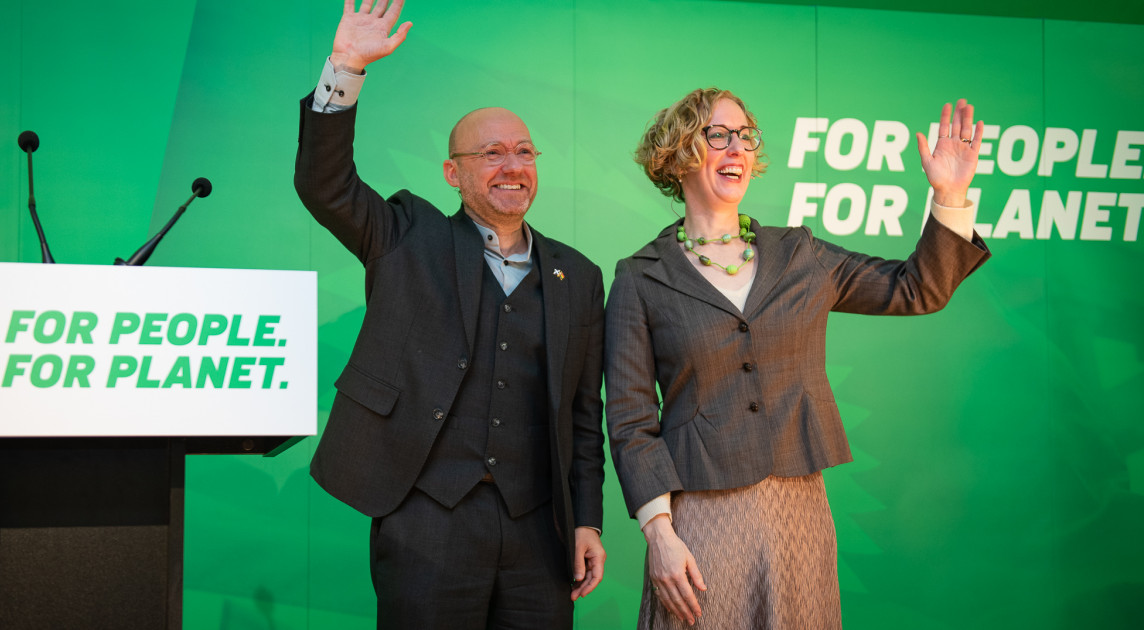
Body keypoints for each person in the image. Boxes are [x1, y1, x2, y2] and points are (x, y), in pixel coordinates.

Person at [604, 88, 991, 629]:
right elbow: (629, 421)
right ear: (677, 155)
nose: (735, 147)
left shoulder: (799, 253)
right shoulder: (639, 277)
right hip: (699, 514)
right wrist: (660, 533)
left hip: (800, 510)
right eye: (717, 134)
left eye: (744, 136)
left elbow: (915, 289)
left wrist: (950, 196)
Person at [293, 1, 607, 627]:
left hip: (538, 533)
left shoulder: (580, 274)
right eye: (491, 154)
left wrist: (587, 518)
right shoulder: (408, 234)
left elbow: (581, 415)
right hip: (424, 519)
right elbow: (325, 187)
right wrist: (346, 65)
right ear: (452, 173)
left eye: (524, 152)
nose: (512, 166)